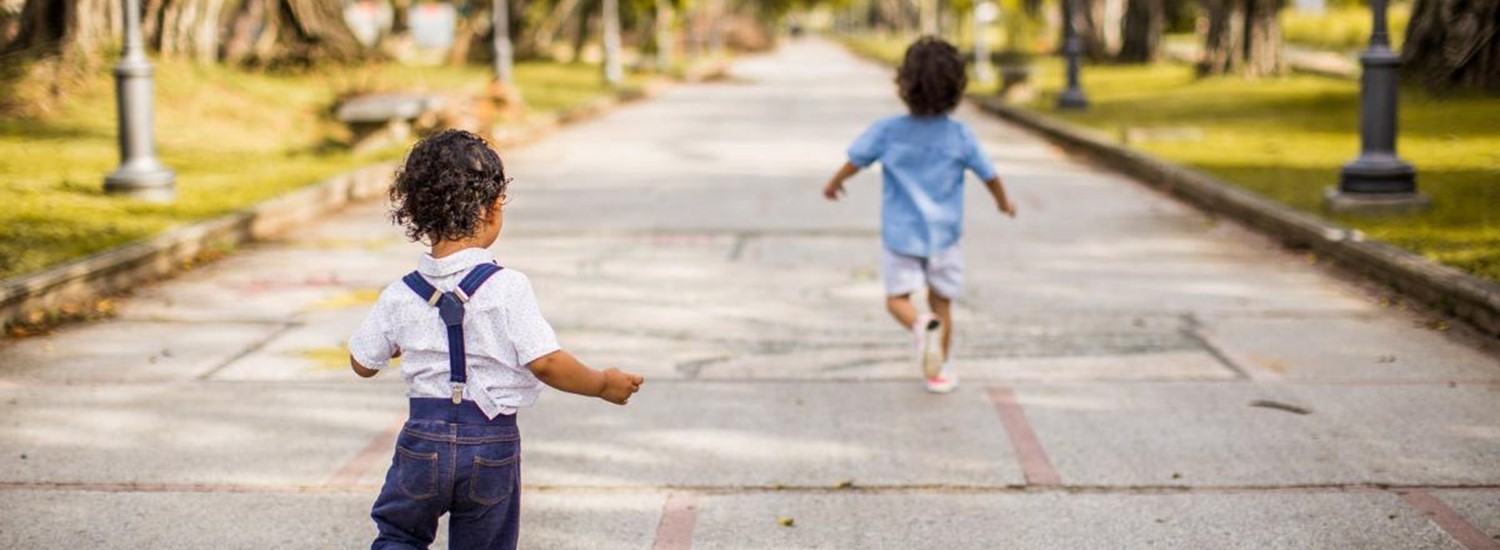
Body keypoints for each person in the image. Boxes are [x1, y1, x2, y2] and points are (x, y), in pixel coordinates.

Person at [347, 129, 644, 550]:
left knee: (399, 534)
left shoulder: (400, 294)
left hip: (422, 440)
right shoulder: (507, 287)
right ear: (492, 208)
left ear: (416, 214)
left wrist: (399, 341)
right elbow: (545, 361)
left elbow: (363, 362)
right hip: (490, 443)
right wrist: (601, 384)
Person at [822, 36, 1017, 394]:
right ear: (957, 88)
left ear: (903, 84)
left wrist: (834, 183)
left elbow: (855, 161)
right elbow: (990, 175)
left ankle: (917, 323)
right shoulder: (960, 135)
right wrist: (1004, 203)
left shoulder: (887, 131)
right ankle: (939, 372)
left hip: (901, 238)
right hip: (945, 237)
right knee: (942, 303)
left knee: (897, 299)